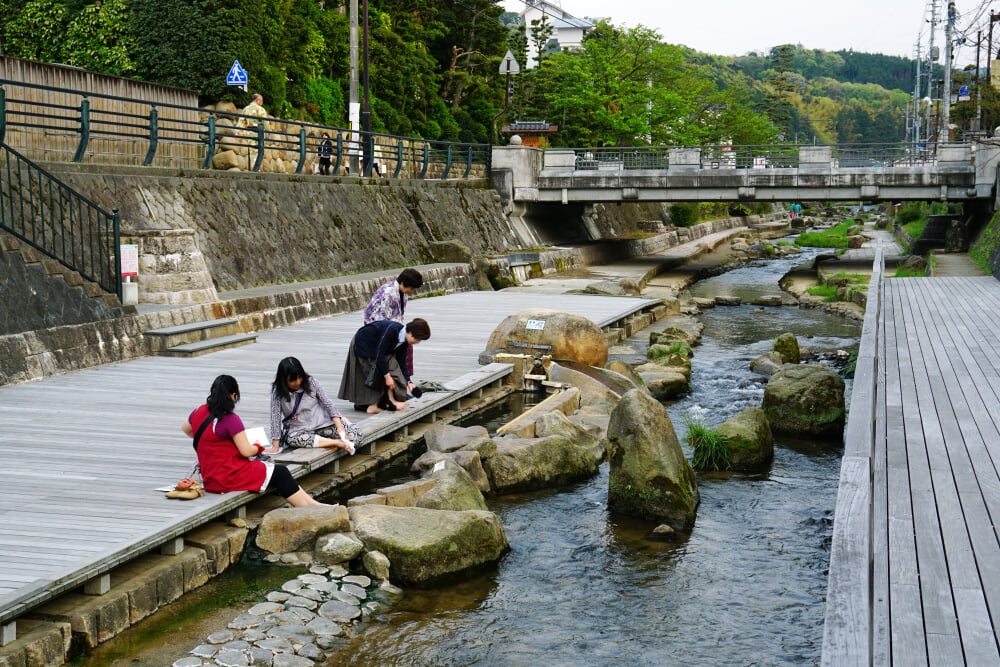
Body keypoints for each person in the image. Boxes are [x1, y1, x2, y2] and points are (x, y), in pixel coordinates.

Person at [182, 374, 330, 507]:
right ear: (233, 396)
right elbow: (246, 452)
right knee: (281, 472)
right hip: (227, 477)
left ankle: (315, 504)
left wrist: (211, 443)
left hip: (210, 478)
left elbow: (187, 429)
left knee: (278, 472)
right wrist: (257, 446)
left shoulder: (198, 411)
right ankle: (308, 508)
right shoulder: (230, 419)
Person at [338, 318, 431, 414]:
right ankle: (375, 406)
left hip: (378, 351)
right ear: (410, 333)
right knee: (380, 373)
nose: (417, 342)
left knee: (393, 367)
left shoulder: (404, 341)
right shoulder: (392, 331)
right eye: (417, 339)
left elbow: (401, 362)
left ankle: (389, 401)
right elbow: (380, 355)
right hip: (364, 344)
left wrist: (409, 382)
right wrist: (387, 376)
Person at [270, 356, 357, 453]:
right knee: (293, 439)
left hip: (324, 424)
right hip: (300, 430)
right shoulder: (277, 391)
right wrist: (275, 446)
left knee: (356, 436)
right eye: (292, 380)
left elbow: (328, 403)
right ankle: (334, 442)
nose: (298, 382)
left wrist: (340, 427)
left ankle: (328, 437)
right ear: (284, 380)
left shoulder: (311, 382)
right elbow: (275, 417)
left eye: (300, 377)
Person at [365, 269, 424, 376]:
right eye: (411, 288)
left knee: (407, 343)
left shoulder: (403, 293)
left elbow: (399, 316)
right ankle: (395, 375)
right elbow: (382, 319)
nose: (411, 291)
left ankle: (404, 378)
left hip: (392, 325)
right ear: (403, 283)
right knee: (401, 344)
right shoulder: (388, 293)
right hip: (376, 326)